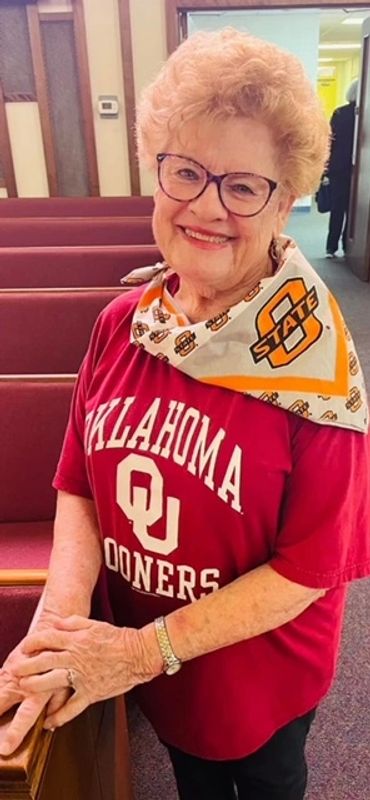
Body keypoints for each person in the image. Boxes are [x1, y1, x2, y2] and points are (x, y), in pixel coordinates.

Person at [1, 29, 369, 800]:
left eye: (243, 185)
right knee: (193, 777)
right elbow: (79, 485)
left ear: (285, 198)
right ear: (157, 171)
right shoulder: (121, 325)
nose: (206, 207)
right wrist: (57, 626)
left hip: (260, 677)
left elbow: (305, 573)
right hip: (157, 663)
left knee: (266, 782)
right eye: (186, 172)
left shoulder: (317, 371)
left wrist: (137, 655)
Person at [325, 79, 358, 258]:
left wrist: (327, 171)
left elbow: (330, 143)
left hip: (339, 169)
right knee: (354, 210)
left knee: (338, 208)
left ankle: (331, 247)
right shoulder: (363, 116)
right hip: (358, 173)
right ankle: (348, 246)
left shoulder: (339, 113)